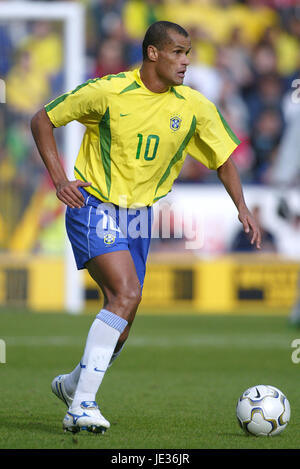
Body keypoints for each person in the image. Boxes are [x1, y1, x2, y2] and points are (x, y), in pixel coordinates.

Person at [31, 21, 261, 435]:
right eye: (177, 52)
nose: (185, 61)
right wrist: (60, 179)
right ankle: (81, 406)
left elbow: (224, 158)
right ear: (153, 53)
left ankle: (71, 384)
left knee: (125, 319)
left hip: (140, 218)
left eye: (188, 53)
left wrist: (242, 207)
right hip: (93, 204)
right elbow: (42, 120)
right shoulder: (107, 91)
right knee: (126, 294)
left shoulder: (193, 106)